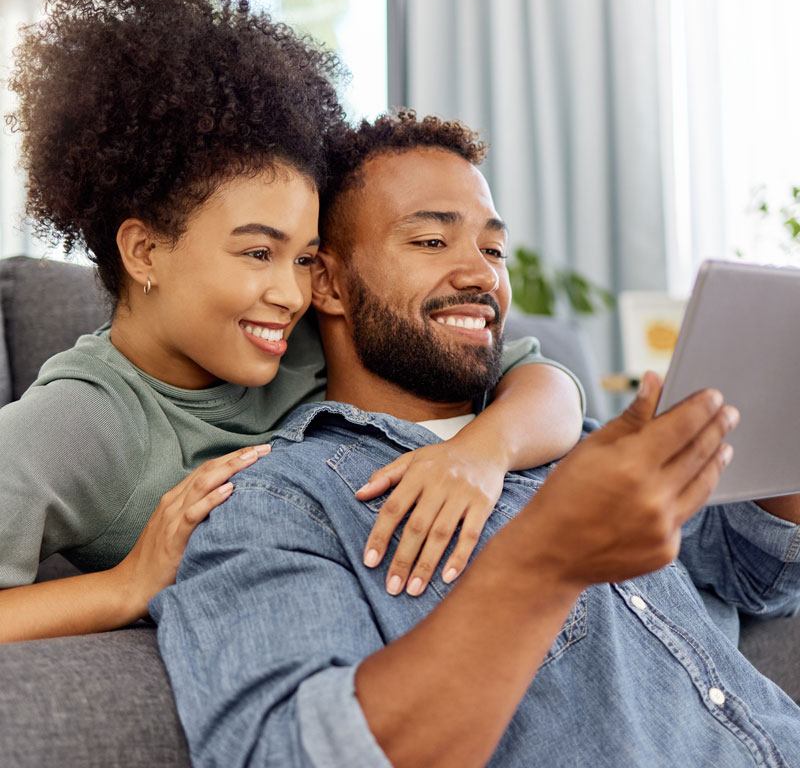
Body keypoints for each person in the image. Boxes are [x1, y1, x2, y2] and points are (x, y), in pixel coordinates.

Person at [152, 111, 800, 768]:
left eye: (493, 249)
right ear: (328, 282)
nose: (482, 275)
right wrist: (545, 560)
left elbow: (759, 575)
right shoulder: (282, 502)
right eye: (432, 242)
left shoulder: (571, 445)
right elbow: (288, 755)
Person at [0, 0, 584, 642]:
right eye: (257, 254)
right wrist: (126, 585)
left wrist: (486, 449)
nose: (291, 293)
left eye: (306, 258)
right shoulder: (83, 422)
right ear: (144, 251)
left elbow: (545, 379)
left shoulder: (304, 336)